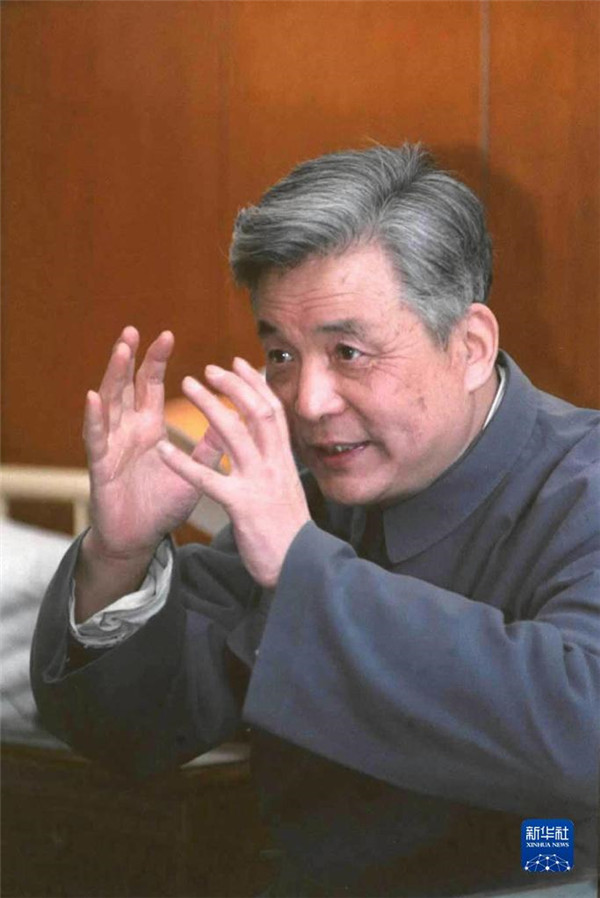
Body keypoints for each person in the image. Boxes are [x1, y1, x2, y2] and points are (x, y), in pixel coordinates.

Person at [31, 145, 599, 898]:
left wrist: (302, 567)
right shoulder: (315, 499)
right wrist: (119, 554)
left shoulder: (582, 484)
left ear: (468, 347)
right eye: (281, 354)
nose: (308, 401)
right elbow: (135, 730)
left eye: (349, 352)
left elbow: (581, 734)